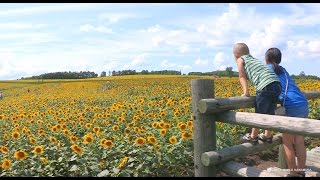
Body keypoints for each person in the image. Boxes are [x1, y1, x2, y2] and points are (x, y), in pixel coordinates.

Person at [265, 47, 308, 177]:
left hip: (290, 106)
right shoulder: (283, 69)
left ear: (267, 58)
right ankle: (301, 172)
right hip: (302, 104)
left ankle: (293, 173)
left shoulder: (268, 69)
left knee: (287, 142)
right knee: (299, 140)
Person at [233, 43, 281, 145]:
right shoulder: (254, 60)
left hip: (265, 86)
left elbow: (242, 76)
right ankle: (268, 135)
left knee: (259, 113)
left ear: (236, 55)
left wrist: (246, 92)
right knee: (270, 112)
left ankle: (253, 136)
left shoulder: (240, 60)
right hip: (277, 84)